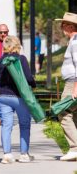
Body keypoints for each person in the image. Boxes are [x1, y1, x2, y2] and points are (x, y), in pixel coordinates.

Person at [0, 36, 36, 164]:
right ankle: (24, 154)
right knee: (24, 125)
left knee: (6, 125)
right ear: (17, 46)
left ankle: (7, 155)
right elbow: (28, 78)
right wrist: (33, 84)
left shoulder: (0, 60)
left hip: (3, 97)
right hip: (19, 97)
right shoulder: (21, 59)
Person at [55, 12, 77, 161]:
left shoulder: (75, 42)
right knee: (73, 115)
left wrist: (76, 87)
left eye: (63, 24)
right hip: (71, 82)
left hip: (73, 83)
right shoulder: (73, 41)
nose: (61, 26)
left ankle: (75, 148)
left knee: (63, 113)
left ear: (70, 26)